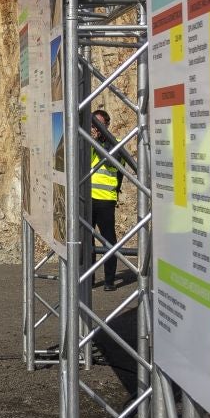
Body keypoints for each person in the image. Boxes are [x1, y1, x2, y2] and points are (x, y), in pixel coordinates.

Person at [87, 109, 123, 291]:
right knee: (86, 240)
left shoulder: (114, 144)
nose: (95, 129)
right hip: (87, 198)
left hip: (105, 200)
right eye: (93, 125)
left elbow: (110, 162)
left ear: (107, 126)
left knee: (108, 240)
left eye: (99, 125)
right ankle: (89, 278)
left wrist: (94, 141)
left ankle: (109, 279)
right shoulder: (86, 142)